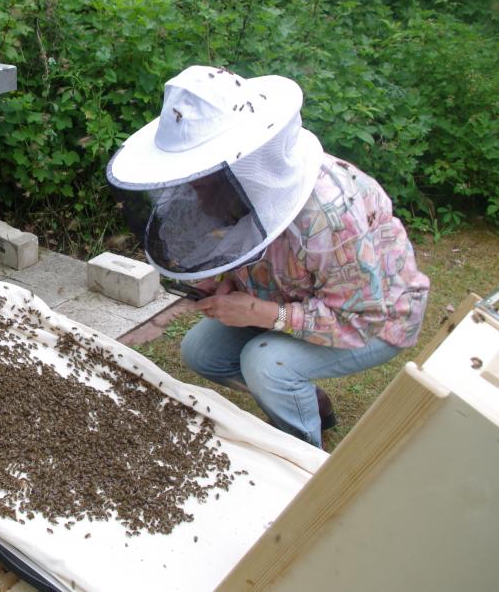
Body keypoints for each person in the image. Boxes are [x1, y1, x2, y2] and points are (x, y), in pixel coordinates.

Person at [105, 65, 430, 448]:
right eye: (190, 176)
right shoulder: (223, 190)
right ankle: (304, 400)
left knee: (266, 364)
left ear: (248, 165)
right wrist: (223, 284)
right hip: (291, 298)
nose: (194, 191)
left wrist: (263, 314)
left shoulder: (328, 217)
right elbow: (238, 253)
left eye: (204, 178)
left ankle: (302, 455)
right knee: (200, 351)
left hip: (377, 316)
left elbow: (361, 317)